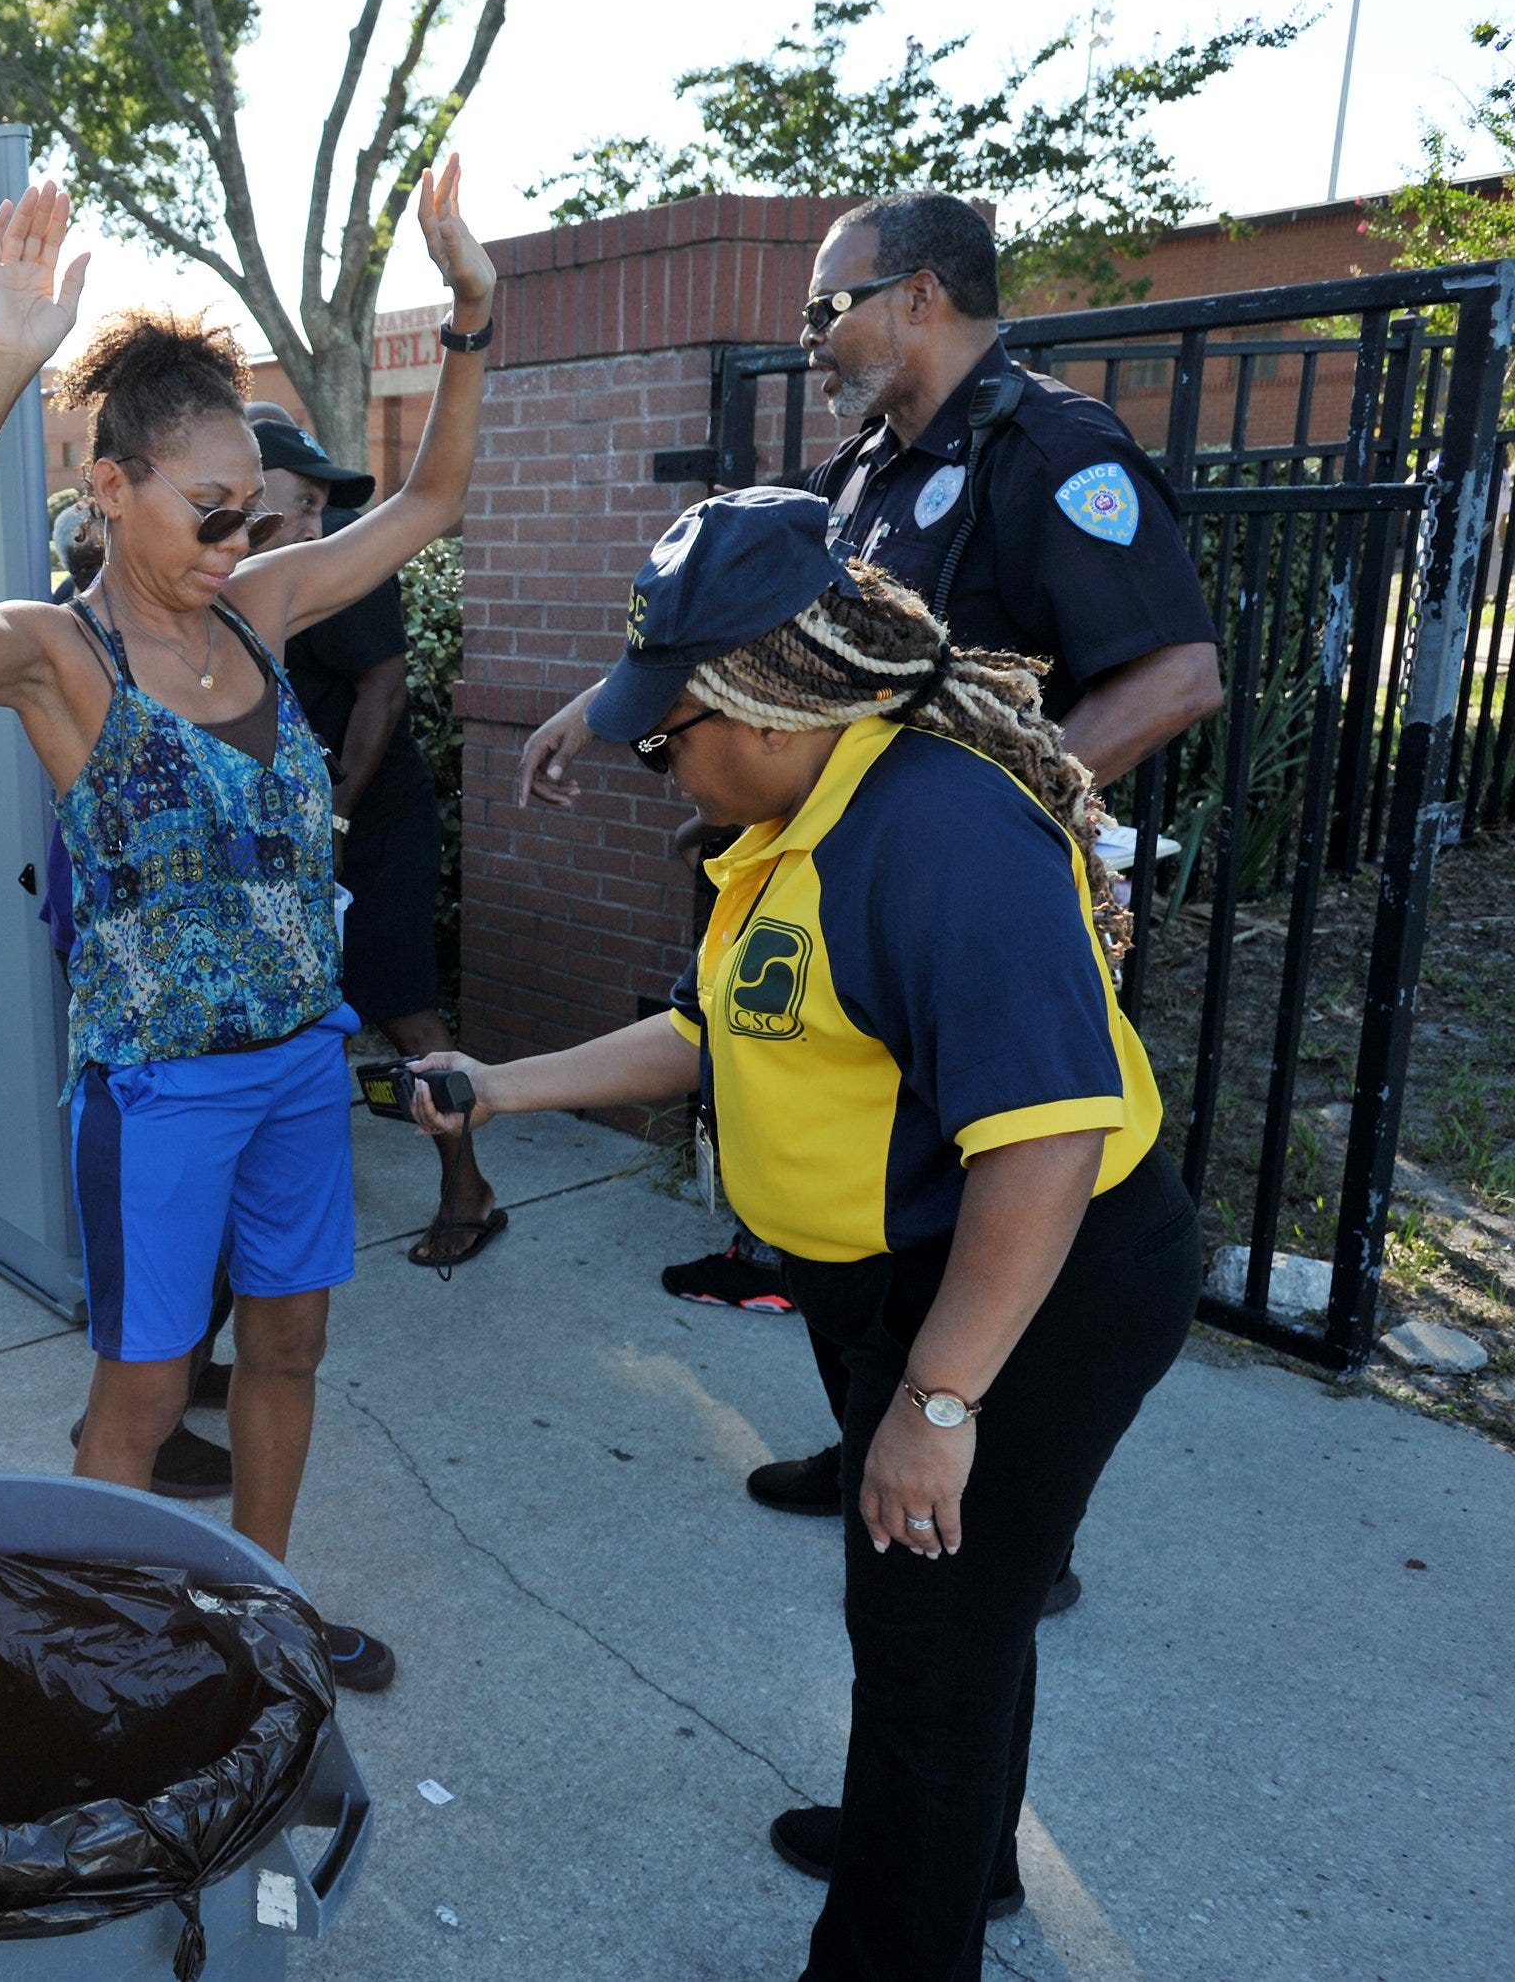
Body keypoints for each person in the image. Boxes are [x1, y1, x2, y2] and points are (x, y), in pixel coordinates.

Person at [411, 488, 1198, 1980]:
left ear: (769, 709)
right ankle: (955, 1861)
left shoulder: (938, 834)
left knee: (929, 1654)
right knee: (947, 1631)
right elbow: (716, 1031)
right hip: (903, 1288)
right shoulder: (796, 816)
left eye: (668, 735)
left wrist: (938, 1402)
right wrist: (502, 1088)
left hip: (1031, 1291)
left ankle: (904, 1929)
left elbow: (1045, 1142)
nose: (658, 764)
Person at [0, 162, 500, 1694]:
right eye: (208, 515)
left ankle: (259, 1615)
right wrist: (5, 364)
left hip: (295, 1071)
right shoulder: (59, 661)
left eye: (250, 517)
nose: (234, 541)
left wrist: (472, 319)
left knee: (288, 1355)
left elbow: (433, 502)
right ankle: (88, 1663)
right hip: (159, 1093)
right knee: (141, 1395)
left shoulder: (259, 614)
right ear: (110, 490)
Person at [513, 191, 1222, 1540]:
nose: (811, 336)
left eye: (827, 305)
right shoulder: (862, 471)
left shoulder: (1051, 451)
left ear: (922, 296)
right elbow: (775, 674)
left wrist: (974, 821)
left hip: (959, 922)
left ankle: (988, 1506)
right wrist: (622, 710)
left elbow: (1179, 674)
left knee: (983, 1198)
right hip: (852, 919)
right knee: (869, 1220)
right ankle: (871, 1446)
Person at [245, 404, 498, 1274]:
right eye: (302, 502)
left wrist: (340, 819)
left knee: (400, 1010)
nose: (318, 522)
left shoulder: (335, 563)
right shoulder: (221, 563)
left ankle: (469, 1189)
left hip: (370, 823)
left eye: (323, 503)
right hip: (291, 833)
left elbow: (382, 692)